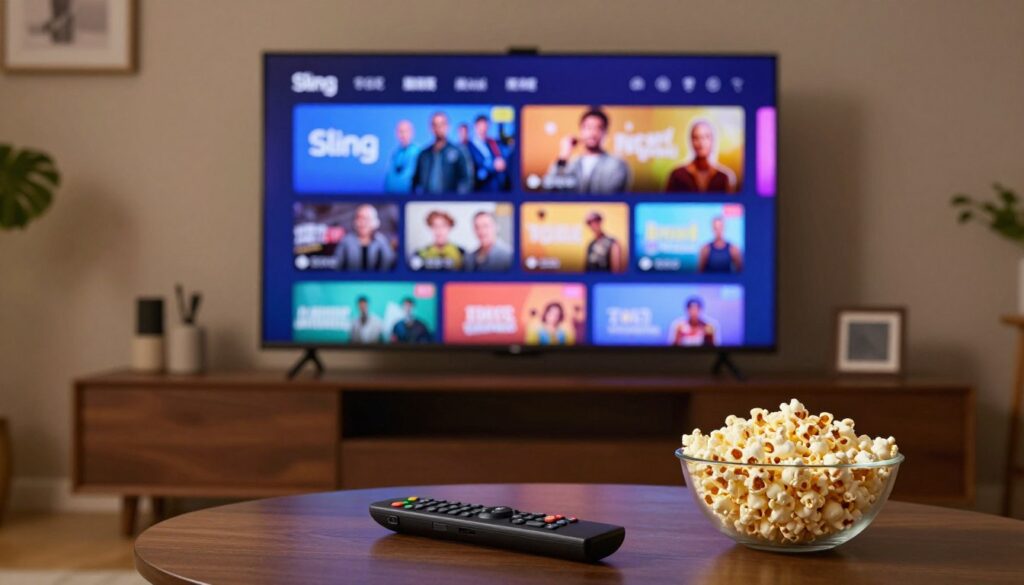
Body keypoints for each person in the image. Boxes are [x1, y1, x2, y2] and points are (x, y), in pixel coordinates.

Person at [544, 108, 630, 194]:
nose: (593, 133)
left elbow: (612, 195)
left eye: (598, 128)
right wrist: (564, 155)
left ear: (605, 133)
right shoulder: (572, 164)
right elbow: (550, 189)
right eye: (588, 128)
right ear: (581, 131)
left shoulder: (616, 164)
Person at [665, 120, 738, 193]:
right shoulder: (678, 175)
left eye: (706, 137)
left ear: (713, 140)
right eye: (696, 137)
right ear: (691, 141)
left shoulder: (724, 177)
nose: (701, 142)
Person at [412, 112, 472, 194]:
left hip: (450, 202)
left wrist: (458, 200)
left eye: (442, 124)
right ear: (431, 128)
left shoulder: (458, 152)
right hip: (426, 202)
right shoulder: (424, 155)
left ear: (448, 126)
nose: (438, 128)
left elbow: (466, 180)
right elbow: (415, 182)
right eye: (435, 125)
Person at [332, 204, 396, 271]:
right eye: (359, 218)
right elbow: (337, 265)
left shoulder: (382, 241)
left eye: (366, 219)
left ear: (375, 222)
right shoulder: (346, 241)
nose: (362, 223)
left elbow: (388, 264)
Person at [467, 115, 509, 191]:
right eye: (481, 126)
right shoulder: (468, 147)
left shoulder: (493, 144)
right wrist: (492, 167)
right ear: (475, 126)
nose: (484, 129)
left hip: (498, 189)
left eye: (486, 126)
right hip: (480, 191)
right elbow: (471, 174)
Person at [384, 120, 420, 193]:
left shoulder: (418, 152)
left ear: (411, 133)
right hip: (392, 198)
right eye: (400, 131)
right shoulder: (395, 153)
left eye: (406, 131)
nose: (403, 135)